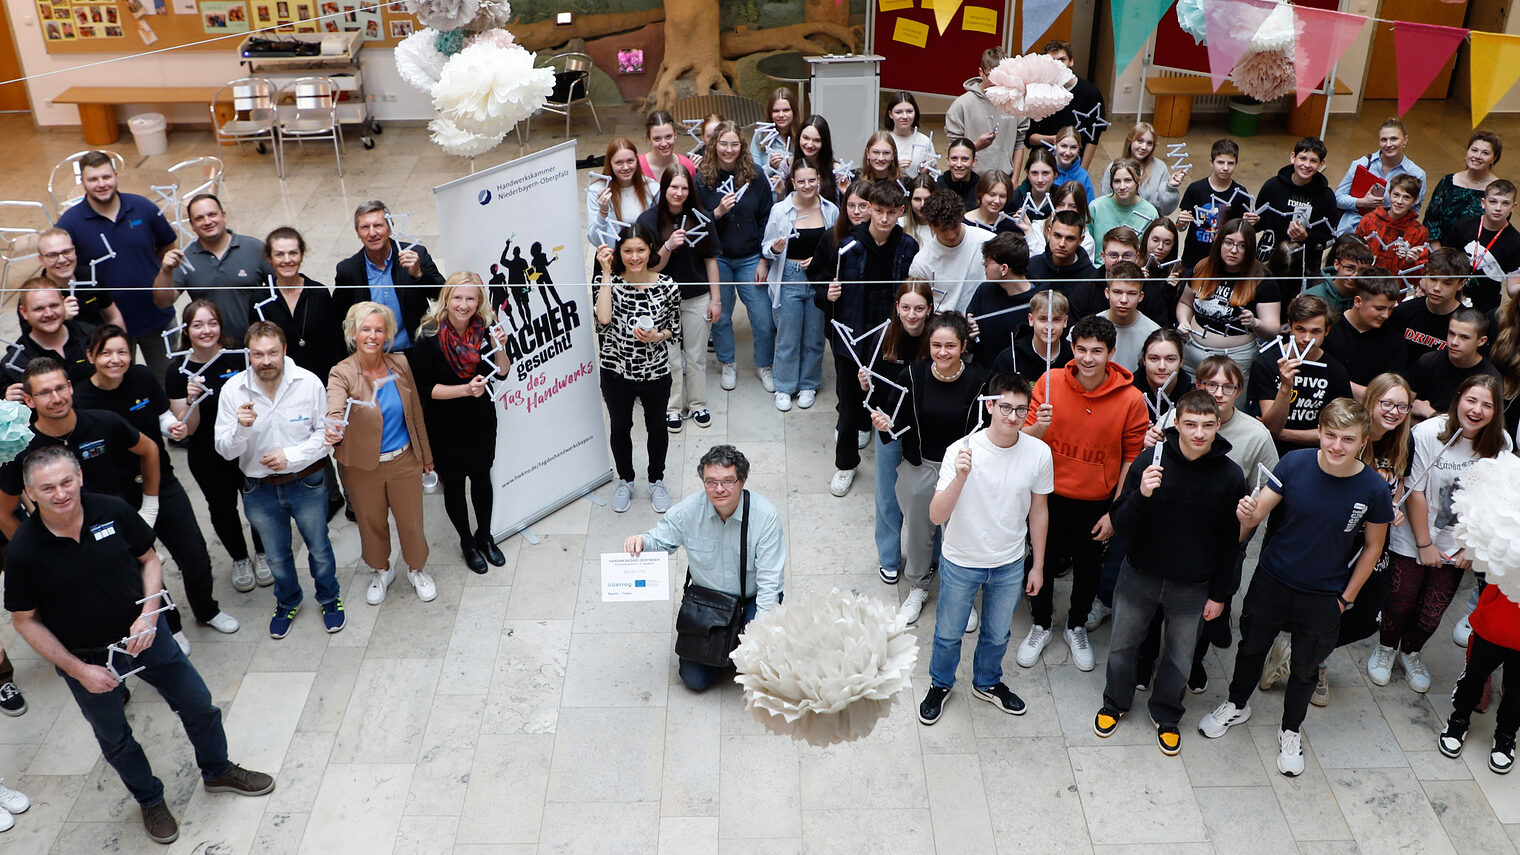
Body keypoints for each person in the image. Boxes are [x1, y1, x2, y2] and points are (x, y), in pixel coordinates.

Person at [4, 446, 275, 844]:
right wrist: (80, 671)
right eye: (47, 488)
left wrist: (150, 613)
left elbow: (149, 559)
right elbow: (24, 621)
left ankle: (218, 770)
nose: (60, 493)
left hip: (147, 637)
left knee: (199, 704)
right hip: (87, 659)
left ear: (79, 476)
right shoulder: (24, 550)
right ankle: (149, 799)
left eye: (66, 482)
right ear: (29, 493)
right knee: (115, 737)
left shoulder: (112, 509)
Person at [1200, 399, 1394, 777]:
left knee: (1306, 668)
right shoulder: (1294, 463)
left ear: (1364, 441)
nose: (1337, 446)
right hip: (1273, 578)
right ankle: (1237, 703)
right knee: (1251, 647)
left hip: (1324, 594)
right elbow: (1259, 512)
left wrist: (1346, 598)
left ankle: (1291, 729)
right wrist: (1247, 512)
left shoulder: (1373, 488)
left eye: (1347, 439)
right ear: (1319, 432)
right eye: (1330, 435)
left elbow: (1373, 547)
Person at [0, 358, 199, 644]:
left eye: (60, 388)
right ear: (29, 400)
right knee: (89, 613)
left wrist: (151, 503)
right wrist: (36, 549)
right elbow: (4, 512)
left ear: (70, 387)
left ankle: (171, 629)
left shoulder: (103, 421)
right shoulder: (20, 448)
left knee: (146, 575)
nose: (55, 398)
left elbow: (150, 450)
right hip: (65, 546)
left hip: (113, 529)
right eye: (44, 393)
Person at [1095, 390, 1246, 756]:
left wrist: (1220, 594)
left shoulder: (1230, 476)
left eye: (1207, 425)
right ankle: (1115, 702)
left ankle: (1166, 713)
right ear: (1175, 423)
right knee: (1122, 646)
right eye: (1191, 424)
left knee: (1180, 657)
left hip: (1193, 587)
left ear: (1218, 425)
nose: (1199, 433)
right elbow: (1120, 525)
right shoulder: (1151, 461)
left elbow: (1230, 542)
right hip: (1139, 575)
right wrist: (1142, 494)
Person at [73, 323, 237, 636]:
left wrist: (172, 427)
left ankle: (206, 610)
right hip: (116, 496)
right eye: (106, 353)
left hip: (161, 480)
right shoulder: (82, 400)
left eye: (122, 352)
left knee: (195, 555)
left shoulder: (143, 377)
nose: (115, 359)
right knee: (145, 564)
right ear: (90, 355)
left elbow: (162, 415)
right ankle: (172, 627)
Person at [1135, 355, 1278, 692]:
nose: (1218, 392)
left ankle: (1195, 660)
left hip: (1225, 535)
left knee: (1207, 607)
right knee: (1156, 603)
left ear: (1239, 390)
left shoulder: (1255, 434)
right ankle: (1145, 659)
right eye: (1210, 384)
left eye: (1227, 386)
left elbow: (1272, 481)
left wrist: (1245, 527)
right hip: (1172, 531)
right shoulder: (1174, 417)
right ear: (1197, 386)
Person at [918, 373, 1051, 725]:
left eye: (1021, 410)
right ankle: (940, 684)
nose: (1012, 416)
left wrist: (1037, 565)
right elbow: (935, 515)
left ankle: (987, 682)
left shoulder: (1039, 452)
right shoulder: (961, 451)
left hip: (1009, 562)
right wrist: (961, 476)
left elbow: (1039, 511)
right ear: (989, 405)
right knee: (948, 633)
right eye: (1005, 407)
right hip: (962, 559)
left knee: (997, 633)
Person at [1019, 315, 1148, 671]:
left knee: (1088, 568)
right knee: (1039, 559)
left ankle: (1076, 626)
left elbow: (1132, 459)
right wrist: (1036, 426)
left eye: (1097, 351)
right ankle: (1041, 623)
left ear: (1111, 353)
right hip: (1046, 494)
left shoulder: (1131, 399)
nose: (1088, 358)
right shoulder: (1049, 381)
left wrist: (1116, 510)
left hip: (1095, 500)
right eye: (1081, 349)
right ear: (1072, 349)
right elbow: (1025, 439)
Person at [1370, 375, 1511, 694]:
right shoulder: (1427, 432)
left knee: (1432, 612)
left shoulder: (1501, 443)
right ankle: (1386, 648)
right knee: (1399, 602)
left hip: (1457, 544)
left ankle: (1411, 652)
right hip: (1413, 535)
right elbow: (1414, 490)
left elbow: (1494, 502)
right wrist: (1424, 545)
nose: (1477, 410)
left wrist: (1471, 548)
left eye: (1487, 405)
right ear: (1458, 398)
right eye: (1471, 400)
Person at [216, 321, 344, 638]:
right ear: (249, 354)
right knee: (276, 556)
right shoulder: (233, 390)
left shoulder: (308, 383)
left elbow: (323, 436)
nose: (266, 360)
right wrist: (241, 428)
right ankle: (288, 600)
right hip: (258, 490)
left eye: (272, 352)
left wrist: (291, 457)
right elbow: (225, 450)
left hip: (307, 482)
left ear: (284, 350)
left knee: (319, 548)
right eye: (258, 354)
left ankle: (329, 598)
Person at [623, 444, 785, 691]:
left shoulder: (765, 516)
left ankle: (741, 644)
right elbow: (661, 540)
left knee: (759, 668)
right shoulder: (689, 510)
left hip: (752, 598)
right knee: (694, 680)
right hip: (710, 603)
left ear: (742, 481)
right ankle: (728, 647)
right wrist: (641, 542)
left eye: (728, 481)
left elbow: (770, 583)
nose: (719, 489)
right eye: (711, 482)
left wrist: (757, 637)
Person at [1302, 371, 1415, 705]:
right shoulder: (1347, 436)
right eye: (1387, 403)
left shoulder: (1402, 443)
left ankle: (1306, 647)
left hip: (1374, 544)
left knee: (1366, 617)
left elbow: (1398, 491)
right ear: (1371, 401)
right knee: (1327, 606)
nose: (1394, 412)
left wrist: (1393, 509)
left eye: (1403, 406)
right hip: (1337, 539)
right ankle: (1315, 662)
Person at [872, 312, 989, 630]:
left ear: (963, 345)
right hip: (919, 466)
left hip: (962, 472)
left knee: (960, 534)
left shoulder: (980, 380)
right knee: (919, 532)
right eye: (937, 345)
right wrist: (884, 426)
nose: (943, 352)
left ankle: (962, 596)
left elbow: (989, 431)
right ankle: (919, 587)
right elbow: (894, 423)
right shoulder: (913, 375)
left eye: (950, 345)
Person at [325, 302, 436, 605]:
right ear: (353, 332)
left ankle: (416, 569)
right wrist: (333, 424)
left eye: (378, 329)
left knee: (411, 521)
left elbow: (415, 414)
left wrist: (426, 455)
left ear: (387, 335)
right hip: (362, 467)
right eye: (365, 329)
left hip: (403, 459)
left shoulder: (399, 364)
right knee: (371, 522)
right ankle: (381, 570)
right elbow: (335, 405)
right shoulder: (342, 373)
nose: (372, 336)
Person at [1088, 327, 1193, 629]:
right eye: (1154, 358)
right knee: (1120, 543)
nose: (1162, 366)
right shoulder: (1127, 388)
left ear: (1181, 361)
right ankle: (1106, 599)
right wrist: (1137, 443)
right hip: (1132, 481)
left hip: (1174, 485)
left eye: (1170, 359)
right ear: (1143, 360)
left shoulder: (1192, 392)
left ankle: (1156, 610)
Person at [821, 185, 918, 497]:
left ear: (901, 211)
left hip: (892, 340)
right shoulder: (848, 246)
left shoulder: (907, 246)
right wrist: (829, 294)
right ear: (868, 209)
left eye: (892, 212)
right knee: (849, 406)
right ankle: (846, 465)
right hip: (853, 339)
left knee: (892, 400)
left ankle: (896, 464)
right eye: (879, 211)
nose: (885, 218)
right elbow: (824, 291)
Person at [411, 273, 510, 575]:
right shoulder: (428, 335)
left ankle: (485, 535)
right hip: (444, 423)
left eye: (470, 298)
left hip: (480, 416)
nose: (463, 305)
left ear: (479, 301)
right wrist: (466, 389)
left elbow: (504, 372)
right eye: (457, 297)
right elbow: (426, 389)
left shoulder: (487, 329)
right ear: (446, 298)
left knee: (482, 478)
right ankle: (467, 542)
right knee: (454, 485)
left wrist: (502, 346)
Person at [167, 299, 268, 592]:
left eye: (212, 323)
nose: (206, 330)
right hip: (206, 453)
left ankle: (263, 553)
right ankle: (240, 558)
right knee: (222, 508)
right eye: (197, 325)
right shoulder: (178, 370)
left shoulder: (238, 358)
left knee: (257, 501)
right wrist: (190, 399)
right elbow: (190, 427)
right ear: (186, 330)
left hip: (244, 446)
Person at [54, 151, 178, 381]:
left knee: (167, 382)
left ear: (116, 176)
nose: (101, 184)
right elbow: (57, 268)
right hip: (105, 329)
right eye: (93, 179)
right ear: (83, 183)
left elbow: (167, 245)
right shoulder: (70, 223)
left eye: (106, 177)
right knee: (117, 387)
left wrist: (164, 279)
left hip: (156, 318)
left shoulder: (143, 208)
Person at [593, 229, 681, 514]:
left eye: (640, 250)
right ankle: (626, 479)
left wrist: (657, 336)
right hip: (616, 370)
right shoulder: (607, 282)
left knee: (657, 426)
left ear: (650, 249)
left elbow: (674, 329)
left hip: (655, 371)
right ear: (619, 252)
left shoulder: (667, 284)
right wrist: (606, 273)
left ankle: (656, 479)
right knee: (620, 426)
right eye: (628, 251)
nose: (634, 257)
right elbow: (603, 319)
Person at [696, 120, 776, 394]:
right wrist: (716, 213)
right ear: (714, 146)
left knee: (763, 317)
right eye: (723, 144)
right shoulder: (701, 178)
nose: (728, 150)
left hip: (750, 256)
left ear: (742, 146)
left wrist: (765, 259)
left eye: (734, 144)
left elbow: (768, 217)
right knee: (721, 315)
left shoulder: (756, 175)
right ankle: (727, 362)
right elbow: (694, 223)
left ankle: (764, 364)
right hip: (717, 258)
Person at [860, 282, 932, 584]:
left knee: (928, 497)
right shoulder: (882, 337)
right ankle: (889, 556)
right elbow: (871, 387)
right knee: (887, 496)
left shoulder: (936, 338)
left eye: (918, 308)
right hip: (889, 426)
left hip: (928, 428)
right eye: (906, 308)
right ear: (896, 307)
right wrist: (866, 386)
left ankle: (931, 555)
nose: (912, 315)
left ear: (929, 308)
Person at [639, 164, 719, 433]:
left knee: (696, 356)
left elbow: (711, 261)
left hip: (697, 296)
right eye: (674, 186)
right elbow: (651, 267)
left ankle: (698, 404)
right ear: (664, 188)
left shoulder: (702, 217)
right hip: (663, 299)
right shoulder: (649, 220)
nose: (679, 192)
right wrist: (668, 246)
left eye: (684, 187)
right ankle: (672, 407)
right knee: (671, 356)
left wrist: (716, 300)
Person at [763, 159, 838, 413]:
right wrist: (774, 249)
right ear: (793, 183)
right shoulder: (780, 211)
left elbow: (835, 247)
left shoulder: (830, 210)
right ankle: (784, 386)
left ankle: (808, 383)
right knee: (787, 335)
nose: (807, 185)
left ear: (819, 179)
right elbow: (766, 246)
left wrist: (820, 261)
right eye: (801, 181)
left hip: (818, 279)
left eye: (812, 180)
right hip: (790, 276)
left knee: (815, 335)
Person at [150, 194, 268, 343]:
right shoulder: (185, 259)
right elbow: (163, 301)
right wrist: (165, 271)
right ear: (192, 225)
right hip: (211, 349)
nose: (207, 222)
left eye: (212, 214)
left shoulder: (255, 248)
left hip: (257, 345)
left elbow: (285, 286)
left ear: (223, 216)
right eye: (199, 218)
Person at [332, 201, 445, 353]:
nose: (372, 233)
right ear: (357, 232)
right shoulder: (348, 270)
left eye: (378, 225)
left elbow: (444, 296)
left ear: (390, 228)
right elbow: (339, 319)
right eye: (365, 227)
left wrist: (419, 274)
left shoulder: (416, 254)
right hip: (372, 357)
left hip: (415, 352)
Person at [1176, 218, 1280, 381]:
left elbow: (1273, 331)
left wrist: (1255, 323)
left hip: (1234, 360)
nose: (1233, 250)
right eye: (1228, 242)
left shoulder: (1262, 278)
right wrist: (1183, 321)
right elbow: (1184, 303)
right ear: (1219, 243)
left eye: (1242, 245)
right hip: (1192, 352)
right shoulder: (1203, 267)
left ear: (1250, 249)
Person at [1251, 294, 1354, 455]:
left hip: (1314, 454)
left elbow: (1336, 431)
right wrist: (1285, 387)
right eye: (1300, 329)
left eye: (1315, 331)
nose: (1307, 339)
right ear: (1290, 326)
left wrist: (1286, 435)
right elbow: (1272, 426)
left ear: (1327, 330)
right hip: (1270, 452)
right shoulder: (1266, 363)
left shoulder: (1336, 371)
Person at [1438, 580, 1520, 775]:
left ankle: (1507, 733)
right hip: (1501, 610)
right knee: (1476, 672)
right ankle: (1459, 718)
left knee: (1518, 689)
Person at [259, 226, 342, 382]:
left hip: (320, 381)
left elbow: (334, 344)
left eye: (293, 253)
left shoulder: (319, 292)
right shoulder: (260, 299)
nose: (287, 260)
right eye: (279, 254)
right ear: (269, 259)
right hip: (277, 383)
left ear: (301, 255)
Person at [1332, 118, 1426, 235]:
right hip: (1352, 228)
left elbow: (1414, 211)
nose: (1388, 144)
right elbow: (1337, 198)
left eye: (1394, 139)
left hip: (1387, 233)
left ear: (1405, 140)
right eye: (1383, 140)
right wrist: (1361, 202)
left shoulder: (1416, 174)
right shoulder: (1363, 164)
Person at [1253, 137, 1338, 265]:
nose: (1307, 165)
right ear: (1293, 157)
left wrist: (1306, 237)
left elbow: (1329, 237)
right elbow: (1259, 223)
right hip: (1268, 259)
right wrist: (1250, 221)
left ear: (1321, 164)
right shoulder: (1272, 186)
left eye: (1313, 161)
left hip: (1305, 263)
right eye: (1303, 158)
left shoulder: (1327, 197)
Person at [3, 279, 96, 396]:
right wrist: (8, 406)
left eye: (54, 305)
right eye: (39, 309)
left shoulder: (93, 337)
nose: (48, 313)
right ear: (24, 312)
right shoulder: (15, 362)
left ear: (63, 302)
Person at [908, 189, 992, 314]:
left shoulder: (988, 241)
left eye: (954, 226)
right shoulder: (922, 262)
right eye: (943, 229)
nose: (951, 235)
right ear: (931, 225)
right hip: (944, 326)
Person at [1323, 274, 1407, 398]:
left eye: (1390, 309)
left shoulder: (1395, 341)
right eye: (1380, 308)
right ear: (1358, 301)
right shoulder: (1329, 329)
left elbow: (1393, 392)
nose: (1386, 315)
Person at [1409, 307, 1501, 418]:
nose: (1454, 342)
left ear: (1481, 341)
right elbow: (1407, 404)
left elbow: (1476, 426)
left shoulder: (1490, 378)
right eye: (1451, 334)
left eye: (1464, 337)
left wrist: (1431, 414)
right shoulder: (1427, 362)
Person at [1028, 39, 1107, 169]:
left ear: (1071, 61)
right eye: (1051, 62)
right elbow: (1030, 138)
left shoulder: (1091, 93)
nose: (1057, 65)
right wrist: (1056, 139)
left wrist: (1081, 173)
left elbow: (1093, 139)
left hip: (1075, 165)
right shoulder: (1039, 94)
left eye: (1061, 60)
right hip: (1043, 165)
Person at [944, 47, 1022, 175]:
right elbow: (954, 150)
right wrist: (976, 146)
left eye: (1001, 77)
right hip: (970, 178)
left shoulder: (1015, 103)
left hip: (1004, 177)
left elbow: (1019, 143)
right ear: (981, 72)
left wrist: (1015, 179)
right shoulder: (962, 105)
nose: (996, 82)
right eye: (991, 76)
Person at [1177, 139, 1249, 270]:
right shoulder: (1195, 189)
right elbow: (1180, 227)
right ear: (1211, 162)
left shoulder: (1241, 193)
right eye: (1220, 162)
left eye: (1230, 163)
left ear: (1236, 164)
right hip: (1193, 259)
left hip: (1224, 262)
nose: (1225, 167)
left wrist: (1250, 223)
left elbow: (1243, 231)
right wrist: (1181, 221)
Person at [1450, 179, 1520, 315]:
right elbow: (1445, 260)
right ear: (1483, 203)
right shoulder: (1463, 226)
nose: (1498, 208)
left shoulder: (1516, 242)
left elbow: (1512, 289)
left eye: (1505, 203)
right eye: (1493, 201)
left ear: (1513, 206)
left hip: (1486, 308)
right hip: (1452, 299)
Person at [964, 232, 1034, 366]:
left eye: (988, 261)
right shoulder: (984, 291)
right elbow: (971, 341)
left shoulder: (1038, 301)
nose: (983, 264)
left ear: (1004, 269)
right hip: (986, 376)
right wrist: (969, 332)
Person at [32, 226, 122, 329]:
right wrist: (59, 318)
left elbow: (113, 316)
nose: (62, 260)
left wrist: (119, 342)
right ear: (41, 259)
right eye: (53, 255)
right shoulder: (34, 295)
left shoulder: (90, 276)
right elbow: (32, 340)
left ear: (74, 251)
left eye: (66, 252)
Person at [1391, 246, 1468, 366]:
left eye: (1447, 283)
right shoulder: (1404, 311)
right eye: (1432, 279)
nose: (1437, 288)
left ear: (1461, 284)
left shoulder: (1466, 323)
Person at [1425, 129, 1502, 248]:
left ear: (1494, 158)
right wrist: (1440, 258)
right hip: (1440, 254)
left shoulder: (1499, 190)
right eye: (1474, 150)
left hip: (1478, 258)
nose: (1477, 156)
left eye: (1485, 153)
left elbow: (1497, 230)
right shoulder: (1448, 181)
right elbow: (1431, 223)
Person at [1099, 122, 1184, 215]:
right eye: (1140, 140)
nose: (1144, 147)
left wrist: (1170, 188)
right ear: (1130, 141)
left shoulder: (1160, 168)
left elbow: (1166, 210)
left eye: (1149, 143)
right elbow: (1104, 202)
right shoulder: (1113, 167)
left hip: (1149, 224)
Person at [586, 137, 657, 247]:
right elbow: (595, 240)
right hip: (611, 259)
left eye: (630, 161)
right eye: (619, 163)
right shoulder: (596, 191)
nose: (626, 167)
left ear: (637, 160)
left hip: (642, 259)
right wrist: (602, 213)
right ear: (610, 164)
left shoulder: (652, 188)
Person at [991, 289, 1073, 382]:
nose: (1049, 327)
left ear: (1065, 321)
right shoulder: (1010, 358)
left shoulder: (1074, 356)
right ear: (1031, 319)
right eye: (1043, 319)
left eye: (1056, 319)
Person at [1355, 174, 1430, 275]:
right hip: (1364, 283)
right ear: (1389, 193)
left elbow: (1418, 276)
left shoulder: (1419, 232)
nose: (1399, 201)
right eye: (1396, 195)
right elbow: (1352, 256)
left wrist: (1410, 263)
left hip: (1395, 288)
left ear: (1416, 199)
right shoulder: (1369, 220)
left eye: (1406, 197)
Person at [1097, 262, 1160, 372]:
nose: (1124, 300)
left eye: (1131, 293)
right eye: (1117, 292)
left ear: (1141, 296)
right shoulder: (1088, 328)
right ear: (1107, 293)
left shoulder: (1154, 333)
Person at [1025, 210, 1098, 298]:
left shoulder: (1091, 277)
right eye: (1057, 236)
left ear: (1080, 240)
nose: (1062, 244)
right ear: (1049, 233)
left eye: (1070, 238)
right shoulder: (1031, 267)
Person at [1302, 235, 1374, 320]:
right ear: (1336, 264)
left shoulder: (1368, 298)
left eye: (1362, 271)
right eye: (1350, 268)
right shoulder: (1313, 296)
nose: (1355, 276)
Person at [1090, 159, 1159, 246]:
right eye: (1117, 181)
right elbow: (1086, 245)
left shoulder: (1151, 213)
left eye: (1128, 180)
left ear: (1138, 181)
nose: (1122, 186)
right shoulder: (1096, 207)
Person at [1025, 181, 1098, 260]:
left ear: (1081, 210)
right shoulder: (1037, 227)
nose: (1065, 209)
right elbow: (1036, 262)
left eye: (1072, 206)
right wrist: (1029, 232)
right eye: (1061, 204)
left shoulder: (1087, 240)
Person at [752, 88, 800, 194]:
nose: (781, 115)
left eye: (786, 110)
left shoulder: (802, 137)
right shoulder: (760, 135)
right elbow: (752, 175)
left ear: (794, 111)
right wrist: (769, 167)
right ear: (770, 113)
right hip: (767, 198)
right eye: (776, 111)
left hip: (793, 199)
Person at [884, 91, 934, 176]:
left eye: (909, 111)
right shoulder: (883, 141)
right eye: (898, 112)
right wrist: (892, 169)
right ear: (890, 114)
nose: (904, 116)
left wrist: (923, 173)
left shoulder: (925, 142)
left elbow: (933, 177)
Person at [794, 115, 843, 203]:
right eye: (806, 138)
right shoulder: (787, 164)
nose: (809, 144)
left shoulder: (836, 171)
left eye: (816, 140)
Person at [640, 110, 697, 182]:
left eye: (668, 136)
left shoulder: (687, 166)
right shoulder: (637, 166)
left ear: (675, 134)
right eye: (657, 139)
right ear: (649, 139)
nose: (664, 144)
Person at [963, 170, 1020, 234]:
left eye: (1002, 196)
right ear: (981, 193)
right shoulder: (963, 224)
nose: (997, 201)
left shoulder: (1012, 227)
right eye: (992, 195)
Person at [1048, 126, 1095, 201]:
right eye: (1063, 146)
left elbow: (1089, 208)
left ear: (1079, 148)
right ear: (1055, 144)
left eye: (1073, 147)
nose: (1067, 152)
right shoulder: (1044, 171)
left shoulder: (1084, 177)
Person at [936, 138, 979, 211]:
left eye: (965, 159)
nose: (959, 164)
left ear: (974, 162)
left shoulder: (982, 187)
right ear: (948, 161)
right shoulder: (936, 186)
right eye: (954, 159)